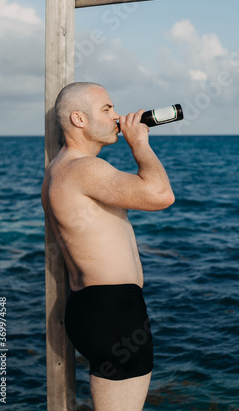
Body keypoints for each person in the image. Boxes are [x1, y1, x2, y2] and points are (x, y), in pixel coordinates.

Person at [41, 82, 175, 411]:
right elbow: (160, 195)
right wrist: (140, 144)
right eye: (107, 109)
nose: (117, 116)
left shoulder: (59, 170)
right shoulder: (82, 168)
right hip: (114, 310)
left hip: (96, 307)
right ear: (78, 119)